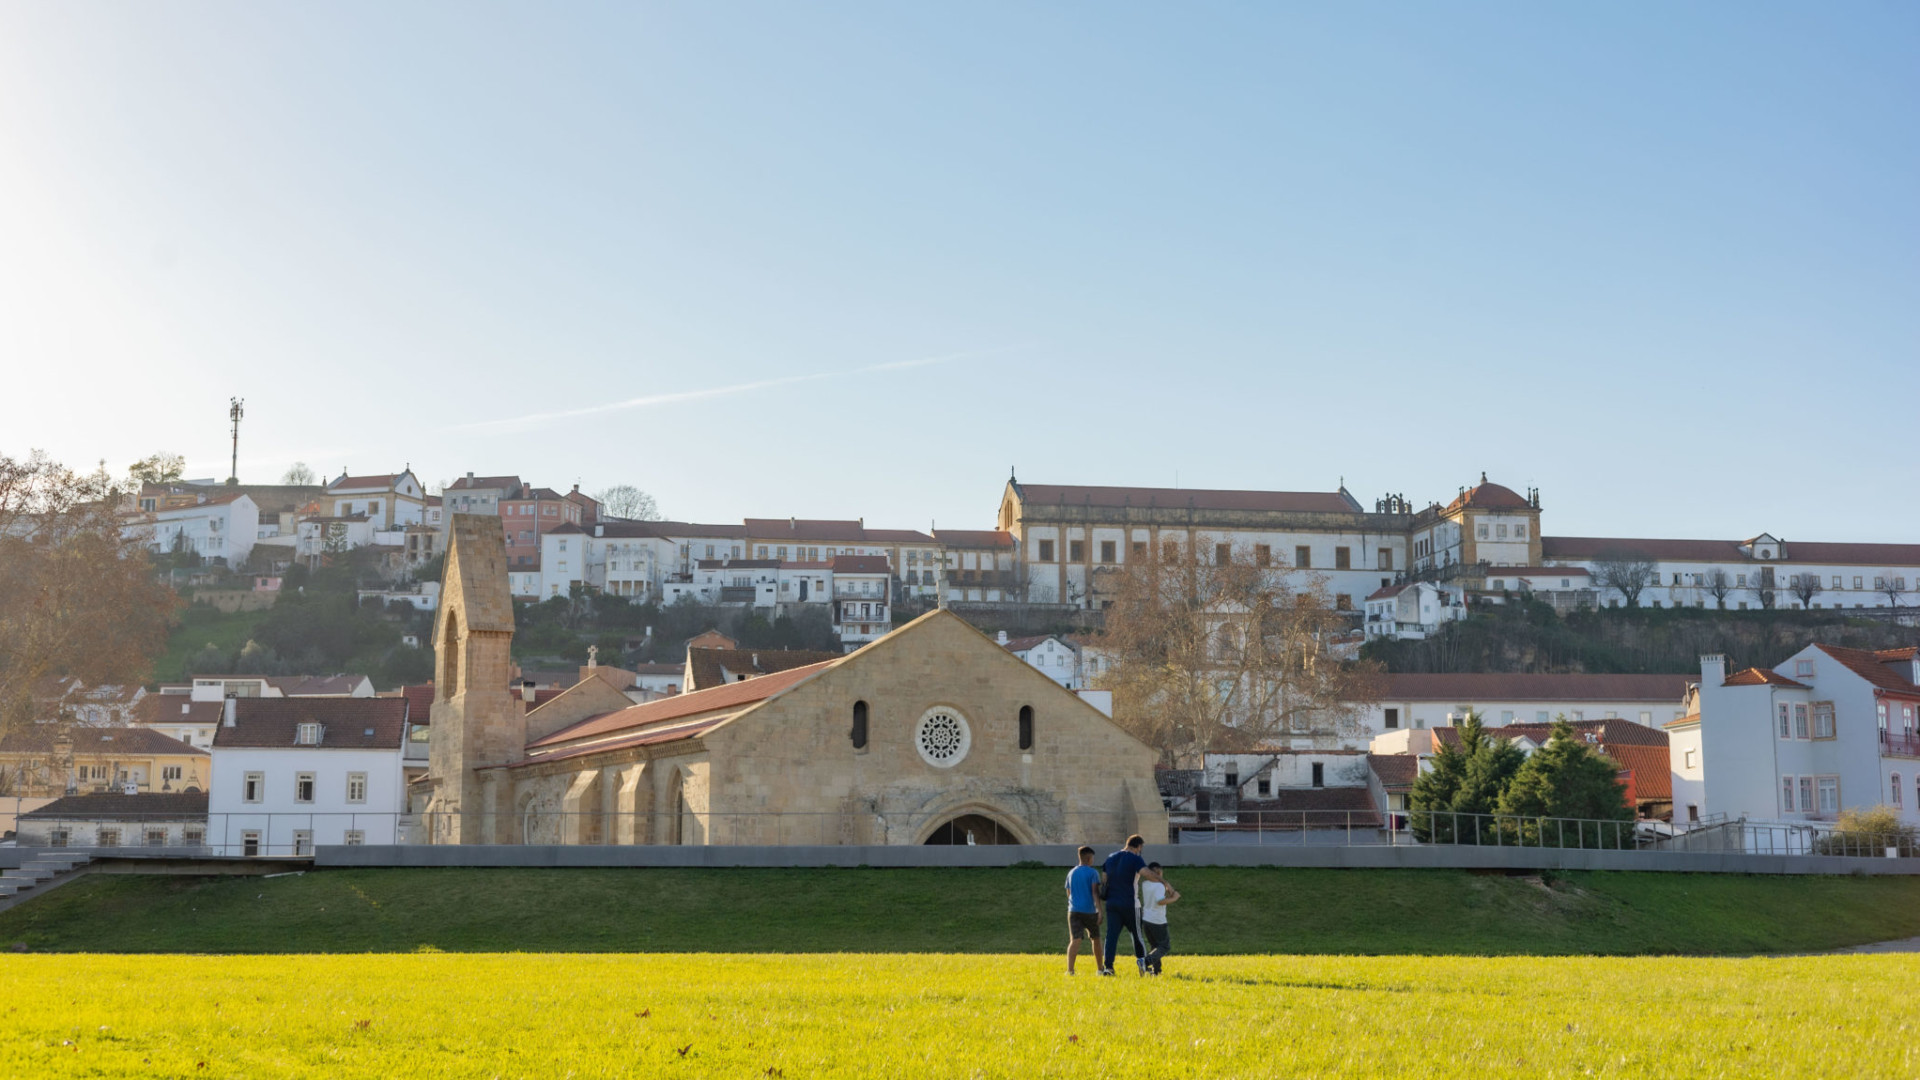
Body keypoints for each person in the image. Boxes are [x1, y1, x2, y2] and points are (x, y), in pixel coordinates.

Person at [1100, 834, 1148, 975]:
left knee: (1111, 936)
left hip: (1112, 903)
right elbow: (1145, 873)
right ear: (1138, 846)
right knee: (1137, 936)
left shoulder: (1110, 858)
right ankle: (1142, 965)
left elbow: (1104, 879)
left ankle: (1108, 967)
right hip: (1130, 904)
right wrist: (1163, 882)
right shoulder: (1135, 859)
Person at [1064, 845, 1105, 975]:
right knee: (1096, 939)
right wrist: (1100, 911)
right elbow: (1095, 892)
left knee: (1075, 940)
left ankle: (1070, 970)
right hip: (1089, 911)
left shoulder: (1071, 872)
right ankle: (1100, 969)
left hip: (1073, 911)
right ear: (1089, 858)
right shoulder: (1093, 873)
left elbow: (1068, 892)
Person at [1135, 862, 1180, 975]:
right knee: (1164, 946)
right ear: (1159, 873)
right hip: (1158, 920)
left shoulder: (1145, 884)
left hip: (1147, 919)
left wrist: (1166, 885)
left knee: (1155, 946)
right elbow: (1160, 901)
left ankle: (1157, 971)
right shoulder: (1159, 886)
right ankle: (1145, 962)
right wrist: (1174, 898)